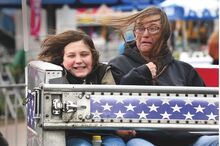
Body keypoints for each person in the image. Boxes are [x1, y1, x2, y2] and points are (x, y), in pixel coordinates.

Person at [100, 6, 218, 146]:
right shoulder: (117, 65)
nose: (145, 34)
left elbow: (207, 112)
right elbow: (111, 106)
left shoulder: (184, 70)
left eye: (153, 28)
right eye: (140, 28)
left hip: (187, 140)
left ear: (165, 34)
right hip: (142, 139)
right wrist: (139, 76)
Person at [38, 30, 126, 146]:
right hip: (73, 134)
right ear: (62, 59)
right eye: (71, 56)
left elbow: (113, 102)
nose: (79, 61)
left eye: (84, 54)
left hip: (107, 133)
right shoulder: (56, 75)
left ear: (93, 56)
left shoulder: (103, 72)